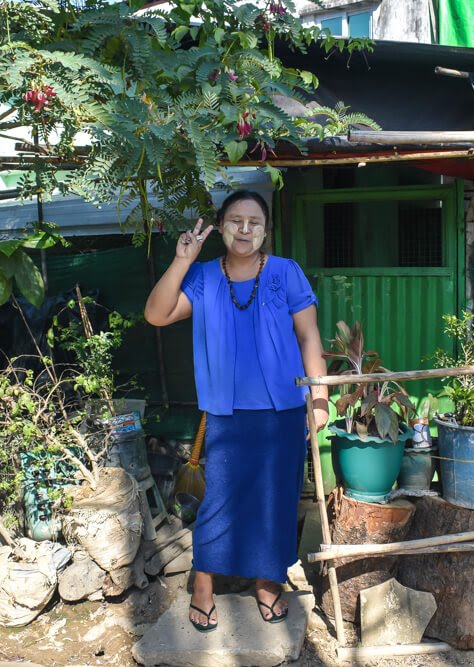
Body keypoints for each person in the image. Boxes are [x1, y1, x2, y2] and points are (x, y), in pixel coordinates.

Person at [144, 190, 329, 632]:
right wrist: (182, 260)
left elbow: (309, 337)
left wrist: (319, 399)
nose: (244, 229)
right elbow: (157, 314)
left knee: (278, 500)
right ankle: (203, 584)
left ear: (265, 230)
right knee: (219, 501)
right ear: (221, 227)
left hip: (283, 411)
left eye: (253, 222)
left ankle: (267, 582)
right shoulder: (205, 277)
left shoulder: (286, 273)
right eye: (235, 220)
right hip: (224, 413)